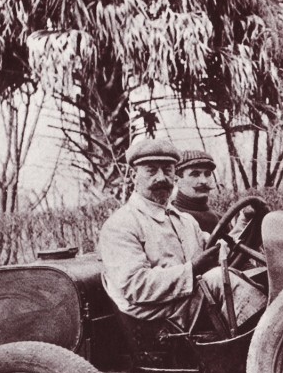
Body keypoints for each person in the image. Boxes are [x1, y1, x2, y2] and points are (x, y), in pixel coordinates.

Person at [97, 138, 264, 332]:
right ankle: (266, 343)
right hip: (158, 317)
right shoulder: (121, 224)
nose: (161, 177)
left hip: (187, 303)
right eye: (151, 170)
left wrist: (247, 224)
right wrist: (191, 270)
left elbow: (220, 251)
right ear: (134, 176)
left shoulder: (184, 221)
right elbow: (134, 286)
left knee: (260, 276)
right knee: (219, 279)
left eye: (167, 170)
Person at [171, 149, 220, 233]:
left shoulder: (220, 218)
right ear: (177, 179)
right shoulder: (171, 218)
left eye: (207, 174)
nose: (204, 181)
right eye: (195, 174)